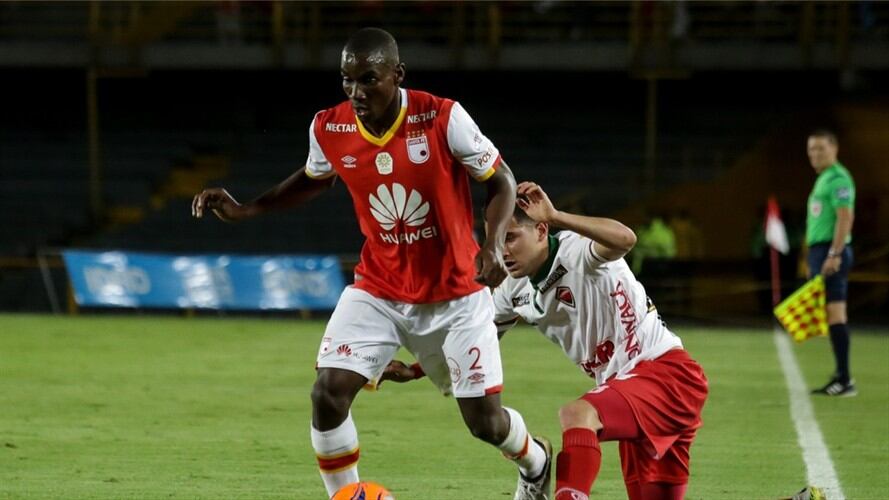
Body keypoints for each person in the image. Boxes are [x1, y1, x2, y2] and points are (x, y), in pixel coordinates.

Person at [191, 28, 552, 500]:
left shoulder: (443, 117)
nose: (357, 92)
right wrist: (247, 208)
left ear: (397, 75)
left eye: (369, 79)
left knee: (485, 423)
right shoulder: (330, 127)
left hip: (457, 294)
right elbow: (314, 177)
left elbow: (500, 179)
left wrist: (492, 241)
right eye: (347, 81)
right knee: (327, 394)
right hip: (378, 288)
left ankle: (537, 461)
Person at [384, 182, 708, 500]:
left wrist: (556, 216)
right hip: (629, 391)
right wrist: (415, 371)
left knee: (577, 415)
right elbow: (474, 341)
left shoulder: (577, 250)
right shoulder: (512, 289)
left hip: (667, 374)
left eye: (510, 237)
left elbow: (626, 238)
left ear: (541, 231)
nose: (502, 250)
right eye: (495, 241)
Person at [805, 129, 857, 397]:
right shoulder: (824, 179)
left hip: (831, 251)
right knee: (829, 314)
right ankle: (840, 375)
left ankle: (845, 379)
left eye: (821, 149)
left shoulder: (838, 178)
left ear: (834, 148)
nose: (815, 154)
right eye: (811, 149)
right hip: (820, 251)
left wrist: (834, 254)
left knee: (836, 313)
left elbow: (844, 217)